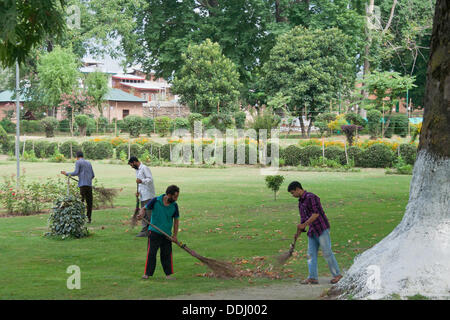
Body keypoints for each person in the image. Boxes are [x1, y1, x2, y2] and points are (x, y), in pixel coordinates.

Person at [287, 181, 342, 285]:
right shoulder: (300, 202)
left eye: (293, 192)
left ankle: (337, 275)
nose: (292, 195)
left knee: (327, 253)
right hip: (312, 231)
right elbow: (303, 219)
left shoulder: (311, 197)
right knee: (310, 254)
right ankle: (312, 277)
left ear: (298, 189)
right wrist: (298, 232)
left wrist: (304, 225)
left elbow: (316, 214)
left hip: (321, 229)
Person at [138, 185, 180, 280]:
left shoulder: (174, 206)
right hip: (154, 232)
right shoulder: (156, 201)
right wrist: (141, 214)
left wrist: (175, 235)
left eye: (177, 197)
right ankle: (147, 274)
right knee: (151, 253)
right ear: (168, 195)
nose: (176, 199)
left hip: (167, 235)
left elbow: (176, 221)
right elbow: (144, 209)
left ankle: (168, 275)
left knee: (166, 255)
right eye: (175, 196)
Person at [61, 151, 95, 223]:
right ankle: (89, 218)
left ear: (77, 157)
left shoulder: (78, 162)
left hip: (82, 185)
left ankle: (80, 218)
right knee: (89, 203)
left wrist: (66, 173)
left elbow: (76, 172)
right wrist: (87, 179)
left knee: (80, 202)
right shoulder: (89, 163)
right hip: (89, 185)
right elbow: (92, 175)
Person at [128, 156, 156, 237]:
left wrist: (141, 181)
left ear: (135, 162)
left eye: (131, 165)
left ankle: (151, 231)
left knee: (148, 214)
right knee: (144, 214)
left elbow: (150, 180)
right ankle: (145, 231)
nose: (132, 167)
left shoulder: (144, 168)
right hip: (143, 195)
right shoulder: (137, 170)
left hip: (148, 195)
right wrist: (138, 192)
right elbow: (140, 185)